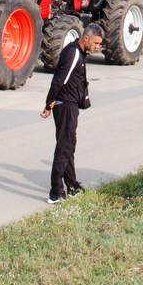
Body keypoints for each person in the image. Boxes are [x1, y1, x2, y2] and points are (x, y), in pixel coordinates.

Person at [42, 23, 104, 204]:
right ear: (86, 38)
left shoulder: (77, 52)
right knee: (64, 147)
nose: (97, 47)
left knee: (69, 144)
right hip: (66, 106)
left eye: (99, 44)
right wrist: (49, 103)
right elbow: (59, 79)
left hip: (69, 105)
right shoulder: (74, 53)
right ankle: (55, 192)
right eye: (96, 42)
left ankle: (71, 184)